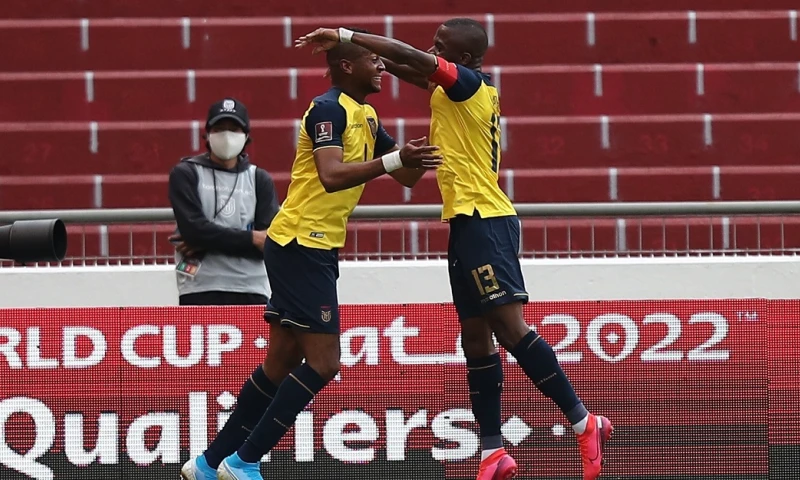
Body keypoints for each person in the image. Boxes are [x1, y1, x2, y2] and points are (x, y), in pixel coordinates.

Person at [296, 19, 613, 480]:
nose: (431, 50)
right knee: (475, 339)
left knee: (509, 327)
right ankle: (492, 451)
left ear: (462, 59)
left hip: (486, 219)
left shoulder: (469, 85)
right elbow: (409, 64)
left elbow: (411, 56)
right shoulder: (455, 88)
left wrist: (347, 36)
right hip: (465, 222)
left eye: (440, 46)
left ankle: (584, 422)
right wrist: (378, 59)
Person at [183, 29, 442, 480]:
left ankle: (208, 464)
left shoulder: (366, 114)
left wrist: (440, 116)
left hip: (309, 245)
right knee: (324, 363)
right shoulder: (327, 109)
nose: (381, 66)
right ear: (347, 66)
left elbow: (406, 177)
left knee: (280, 362)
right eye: (373, 60)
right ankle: (243, 461)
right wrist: (396, 160)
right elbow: (331, 175)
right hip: (302, 243)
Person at [168, 98, 279, 306]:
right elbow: (194, 231)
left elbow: (269, 243)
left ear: (246, 136)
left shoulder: (259, 179)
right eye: (219, 129)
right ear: (207, 135)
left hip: (251, 286)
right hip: (200, 287)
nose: (226, 135)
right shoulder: (187, 173)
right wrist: (251, 238)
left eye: (234, 129)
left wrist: (206, 239)